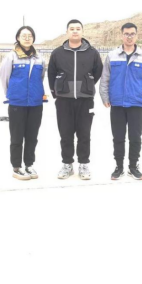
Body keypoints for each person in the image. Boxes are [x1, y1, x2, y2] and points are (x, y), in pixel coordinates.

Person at [99, 23, 142, 180]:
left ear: (136, 36)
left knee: (135, 138)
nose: (129, 37)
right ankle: (118, 167)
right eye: (126, 34)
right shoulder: (112, 56)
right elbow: (105, 79)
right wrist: (105, 97)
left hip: (136, 103)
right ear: (121, 35)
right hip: (117, 103)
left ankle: (133, 167)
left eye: (132, 34)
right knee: (118, 137)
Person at [48, 20, 103, 180]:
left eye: (78, 28)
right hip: (63, 100)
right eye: (72, 29)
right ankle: (67, 165)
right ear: (67, 32)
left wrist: (87, 84)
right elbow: (51, 74)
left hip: (85, 99)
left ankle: (84, 164)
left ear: (82, 31)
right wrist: (56, 92)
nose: (75, 31)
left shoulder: (92, 52)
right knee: (65, 134)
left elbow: (98, 71)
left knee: (84, 134)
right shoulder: (58, 53)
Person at [0, 26, 46, 181]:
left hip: (35, 103)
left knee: (32, 136)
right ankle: (17, 167)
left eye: (30, 35)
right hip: (17, 103)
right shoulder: (11, 57)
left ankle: (29, 164)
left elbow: (41, 77)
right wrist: (13, 93)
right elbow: (4, 77)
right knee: (17, 137)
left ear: (33, 38)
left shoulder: (39, 58)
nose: (27, 38)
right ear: (18, 38)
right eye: (23, 35)